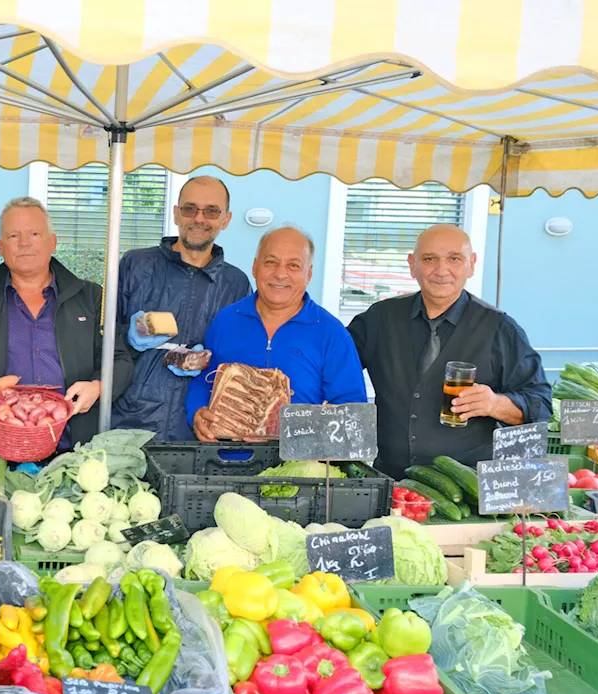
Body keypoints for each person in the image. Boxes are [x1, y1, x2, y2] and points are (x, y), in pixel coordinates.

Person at [348, 224, 551, 479]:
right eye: (429, 259)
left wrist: (494, 404)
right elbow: (333, 365)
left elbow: (540, 403)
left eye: (454, 259)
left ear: (472, 264)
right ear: (412, 265)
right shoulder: (379, 319)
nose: (441, 271)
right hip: (389, 482)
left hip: (465, 490)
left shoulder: (500, 329)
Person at [0, 197, 134, 450]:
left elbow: (120, 359)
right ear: (0, 247)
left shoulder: (91, 298)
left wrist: (98, 386)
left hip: (76, 448)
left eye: (34, 233)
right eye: (13, 236)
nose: (24, 243)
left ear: (52, 242)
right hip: (0, 447)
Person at [188, 226, 368, 441]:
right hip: (224, 464)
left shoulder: (332, 334)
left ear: (308, 274)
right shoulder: (225, 320)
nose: (280, 274)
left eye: (293, 265)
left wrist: (289, 431)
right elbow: (202, 381)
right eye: (270, 262)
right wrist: (196, 413)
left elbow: (352, 415)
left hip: (298, 468)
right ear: (255, 267)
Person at [113, 176, 251, 440]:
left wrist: (211, 360)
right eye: (190, 208)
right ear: (176, 214)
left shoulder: (237, 284)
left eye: (211, 211)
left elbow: (241, 359)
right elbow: (98, 340)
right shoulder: (136, 265)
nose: (199, 218)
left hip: (198, 427)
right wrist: (127, 337)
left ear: (226, 219)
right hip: (129, 419)